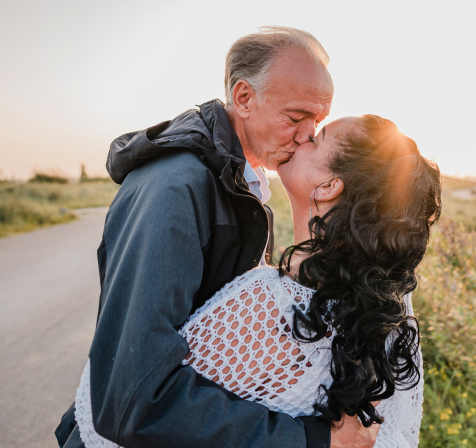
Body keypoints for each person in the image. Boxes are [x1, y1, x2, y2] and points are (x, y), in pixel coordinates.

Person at [56, 27, 378, 448]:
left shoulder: (246, 183)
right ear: (243, 98)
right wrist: (307, 440)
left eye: (316, 122)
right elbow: (132, 399)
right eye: (296, 118)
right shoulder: (176, 187)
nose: (306, 137)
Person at [73, 115, 442, 448]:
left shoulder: (268, 301)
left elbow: (123, 414)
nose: (304, 136)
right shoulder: (391, 310)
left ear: (329, 185)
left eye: (316, 138)